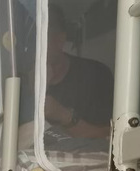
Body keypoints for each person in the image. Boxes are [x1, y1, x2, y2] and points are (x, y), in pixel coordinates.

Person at [43, 5, 113, 139]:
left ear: (60, 39)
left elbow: (111, 135)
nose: (33, 46)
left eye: (41, 36)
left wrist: (63, 115)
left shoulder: (96, 75)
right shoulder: (17, 80)